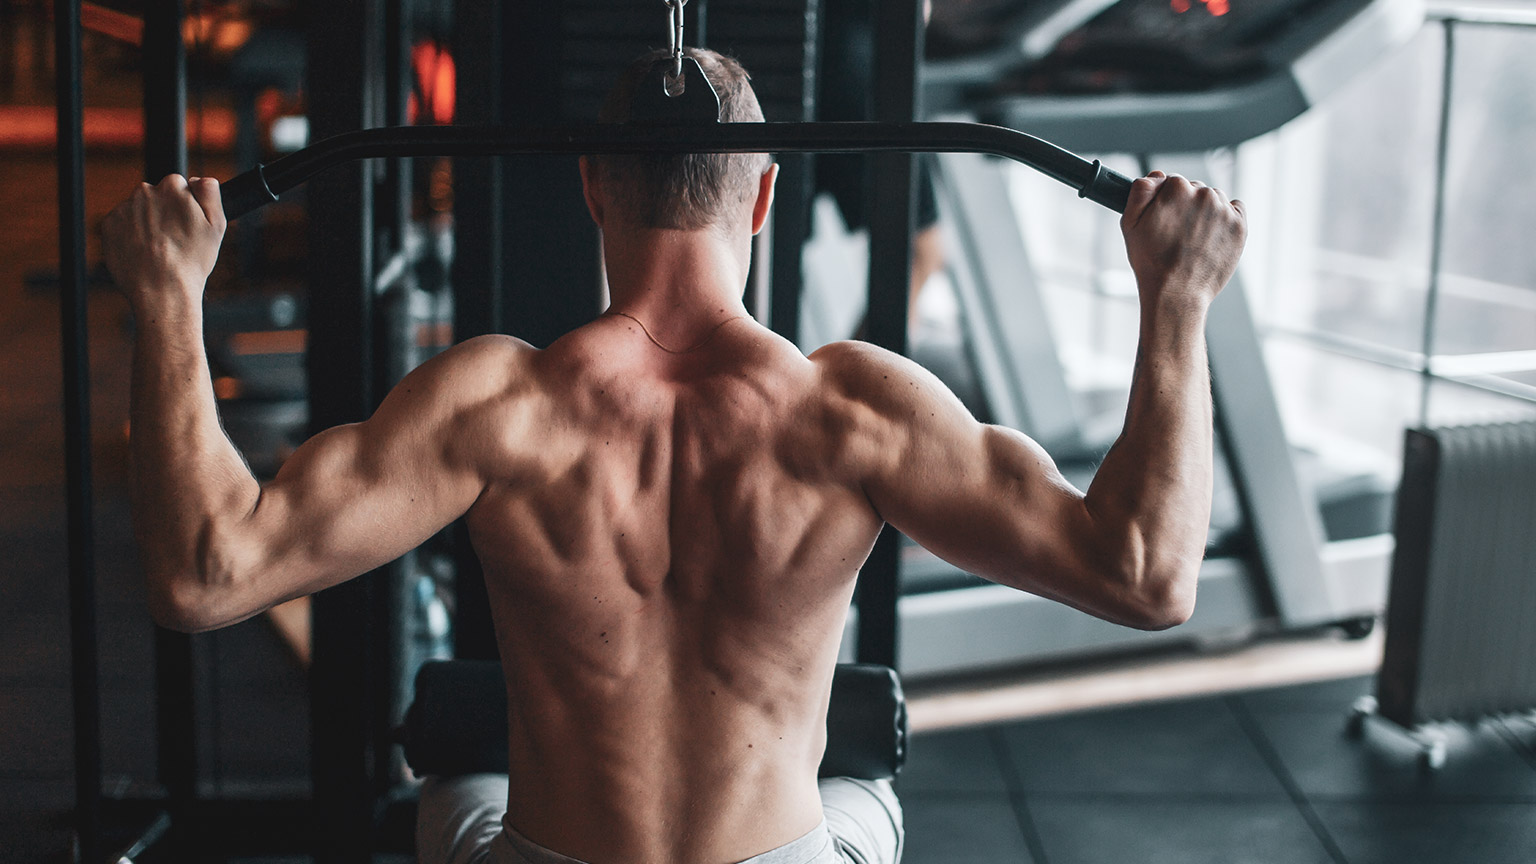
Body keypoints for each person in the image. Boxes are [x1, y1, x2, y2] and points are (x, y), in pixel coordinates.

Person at [102, 47, 1244, 864]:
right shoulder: (857, 410)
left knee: (453, 795)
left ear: (591, 184)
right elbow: (1146, 576)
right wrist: (1175, 303)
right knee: (866, 796)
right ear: (763, 202)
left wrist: (168, 297)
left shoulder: (497, 404)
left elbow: (206, 575)